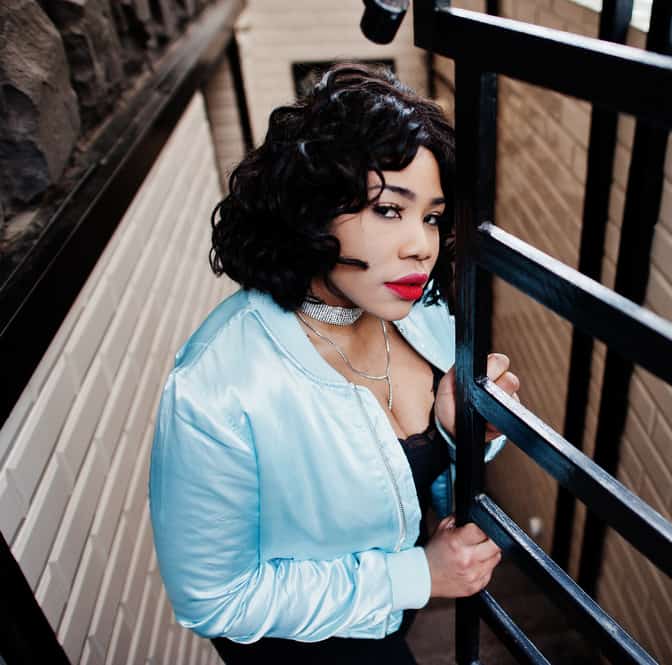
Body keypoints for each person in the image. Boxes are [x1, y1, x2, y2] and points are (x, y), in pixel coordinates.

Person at [148, 62, 520, 664]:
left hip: (390, 632)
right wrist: (416, 576)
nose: (420, 245)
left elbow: (423, 489)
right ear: (310, 209)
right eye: (389, 210)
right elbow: (214, 600)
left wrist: (465, 434)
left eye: (431, 216)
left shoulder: (423, 318)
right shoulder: (216, 388)